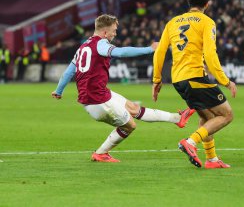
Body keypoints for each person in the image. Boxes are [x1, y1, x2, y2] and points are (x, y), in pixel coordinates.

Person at [51, 14, 195, 162]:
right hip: (98, 101)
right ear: (105, 32)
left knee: (133, 108)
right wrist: (149, 49)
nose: (115, 33)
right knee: (130, 126)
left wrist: (59, 90)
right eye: (113, 30)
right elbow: (121, 52)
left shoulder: (83, 47)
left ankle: (177, 118)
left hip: (99, 95)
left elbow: (69, 71)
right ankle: (101, 153)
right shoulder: (101, 44)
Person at [152, 0, 237, 169]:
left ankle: (212, 159)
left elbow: (159, 52)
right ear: (207, 3)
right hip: (195, 77)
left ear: (189, 2)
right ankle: (190, 142)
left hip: (178, 80)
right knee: (227, 115)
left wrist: (157, 80)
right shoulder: (207, 22)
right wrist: (225, 81)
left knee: (207, 117)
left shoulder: (172, 22)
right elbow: (210, 54)